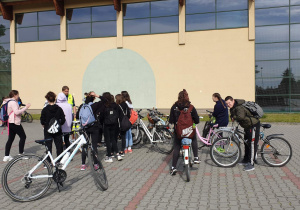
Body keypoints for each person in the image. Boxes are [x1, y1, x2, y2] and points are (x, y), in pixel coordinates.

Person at [169, 89, 200, 175]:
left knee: (177, 147)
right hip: (189, 131)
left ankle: (173, 167)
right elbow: (197, 120)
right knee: (193, 138)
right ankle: (196, 157)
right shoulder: (191, 107)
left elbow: (171, 120)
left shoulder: (174, 107)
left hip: (178, 132)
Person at [225, 96, 260, 172]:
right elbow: (233, 116)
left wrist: (234, 117)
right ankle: (246, 159)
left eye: (229, 103)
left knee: (252, 144)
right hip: (247, 126)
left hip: (253, 125)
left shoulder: (239, 107)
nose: (228, 105)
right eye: (227, 104)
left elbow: (240, 117)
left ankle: (251, 164)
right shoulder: (233, 107)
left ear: (233, 101)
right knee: (246, 142)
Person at [76, 92, 106, 170]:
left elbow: (77, 116)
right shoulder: (94, 105)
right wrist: (97, 95)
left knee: (84, 146)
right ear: (93, 98)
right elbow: (105, 101)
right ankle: (95, 164)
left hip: (85, 128)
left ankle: (83, 164)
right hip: (94, 127)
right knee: (94, 146)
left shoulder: (82, 106)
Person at [3, 90, 31, 162]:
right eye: (18, 95)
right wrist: (26, 107)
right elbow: (16, 112)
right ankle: (21, 154)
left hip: (10, 122)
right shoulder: (13, 102)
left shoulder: (8, 101)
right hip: (15, 122)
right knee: (23, 136)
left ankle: (6, 156)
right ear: (15, 95)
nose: (18, 96)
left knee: (11, 139)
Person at [40, 91, 66, 164]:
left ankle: (48, 161)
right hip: (57, 130)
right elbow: (63, 119)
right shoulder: (59, 109)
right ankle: (59, 160)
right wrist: (59, 124)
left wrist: (45, 125)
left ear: (47, 100)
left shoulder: (45, 109)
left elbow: (42, 120)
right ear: (55, 99)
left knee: (48, 146)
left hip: (47, 130)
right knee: (59, 146)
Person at [101, 92, 122, 162]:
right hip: (114, 124)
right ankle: (118, 154)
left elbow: (101, 116)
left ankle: (109, 156)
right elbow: (119, 114)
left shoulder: (104, 106)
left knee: (107, 140)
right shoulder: (115, 105)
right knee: (113, 139)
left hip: (106, 124)